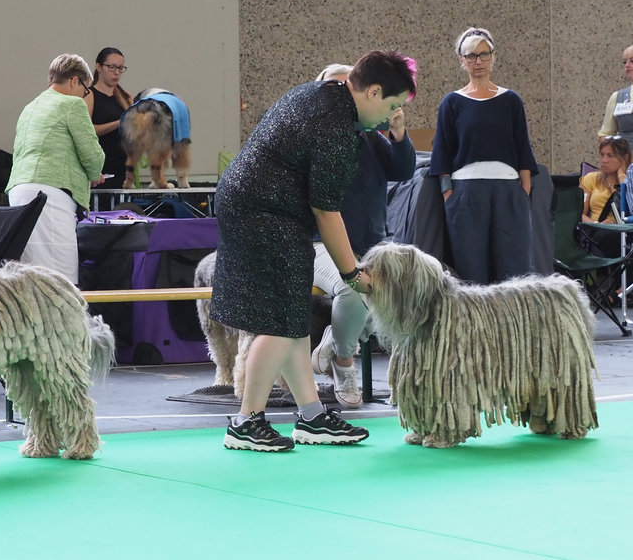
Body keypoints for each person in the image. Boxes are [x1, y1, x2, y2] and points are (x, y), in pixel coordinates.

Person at [213, 50, 416, 452]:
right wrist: (354, 275)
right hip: (263, 212)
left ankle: (311, 416)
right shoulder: (337, 126)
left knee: (292, 318)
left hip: (256, 206)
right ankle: (245, 421)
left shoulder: (320, 94)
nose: (388, 117)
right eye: (391, 106)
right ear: (372, 91)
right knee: (278, 322)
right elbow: (327, 211)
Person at [308, 64, 417, 408]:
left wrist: (398, 133)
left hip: (371, 242)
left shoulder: (369, 132)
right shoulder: (313, 134)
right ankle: (344, 363)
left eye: (347, 87)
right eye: (334, 88)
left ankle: (346, 346)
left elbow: (403, 170)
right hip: (317, 244)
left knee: (401, 285)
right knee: (352, 287)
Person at [430, 27, 538, 285]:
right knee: (470, 273)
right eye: (471, 56)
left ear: (492, 57)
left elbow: (523, 149)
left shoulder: (511, 100)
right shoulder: (451, 102)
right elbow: (442, 153)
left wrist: (523, 192)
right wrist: (449, 195)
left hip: (509, 192)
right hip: (465, 193)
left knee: (515, 271)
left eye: (483, 54)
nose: (478, 61)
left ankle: (515, 325)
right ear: (461, 60)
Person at [6, 54, 105, 284]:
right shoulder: (72, 104)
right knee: (61, 280)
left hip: (19, 192)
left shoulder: (30, 107)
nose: (85, 95)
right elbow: (93, 156)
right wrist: (93, 174)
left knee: (30, 275)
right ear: (74, 81)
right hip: (50, 196)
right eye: (85, 89)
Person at [85, 47, 133, 187]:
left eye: (120, 68)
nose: (116, 72)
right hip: (100, 170)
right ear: (99, 67)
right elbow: (87, 131)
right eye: (111, 67)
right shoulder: (89, 95)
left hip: (123, 167)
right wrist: (120, 122)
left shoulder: (126, 97)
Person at [598, 44, 633, 149]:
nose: (627, 65)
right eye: (624, 62)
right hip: (627, 161)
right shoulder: (617, 97)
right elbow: (605, 134)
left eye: (632, 61)